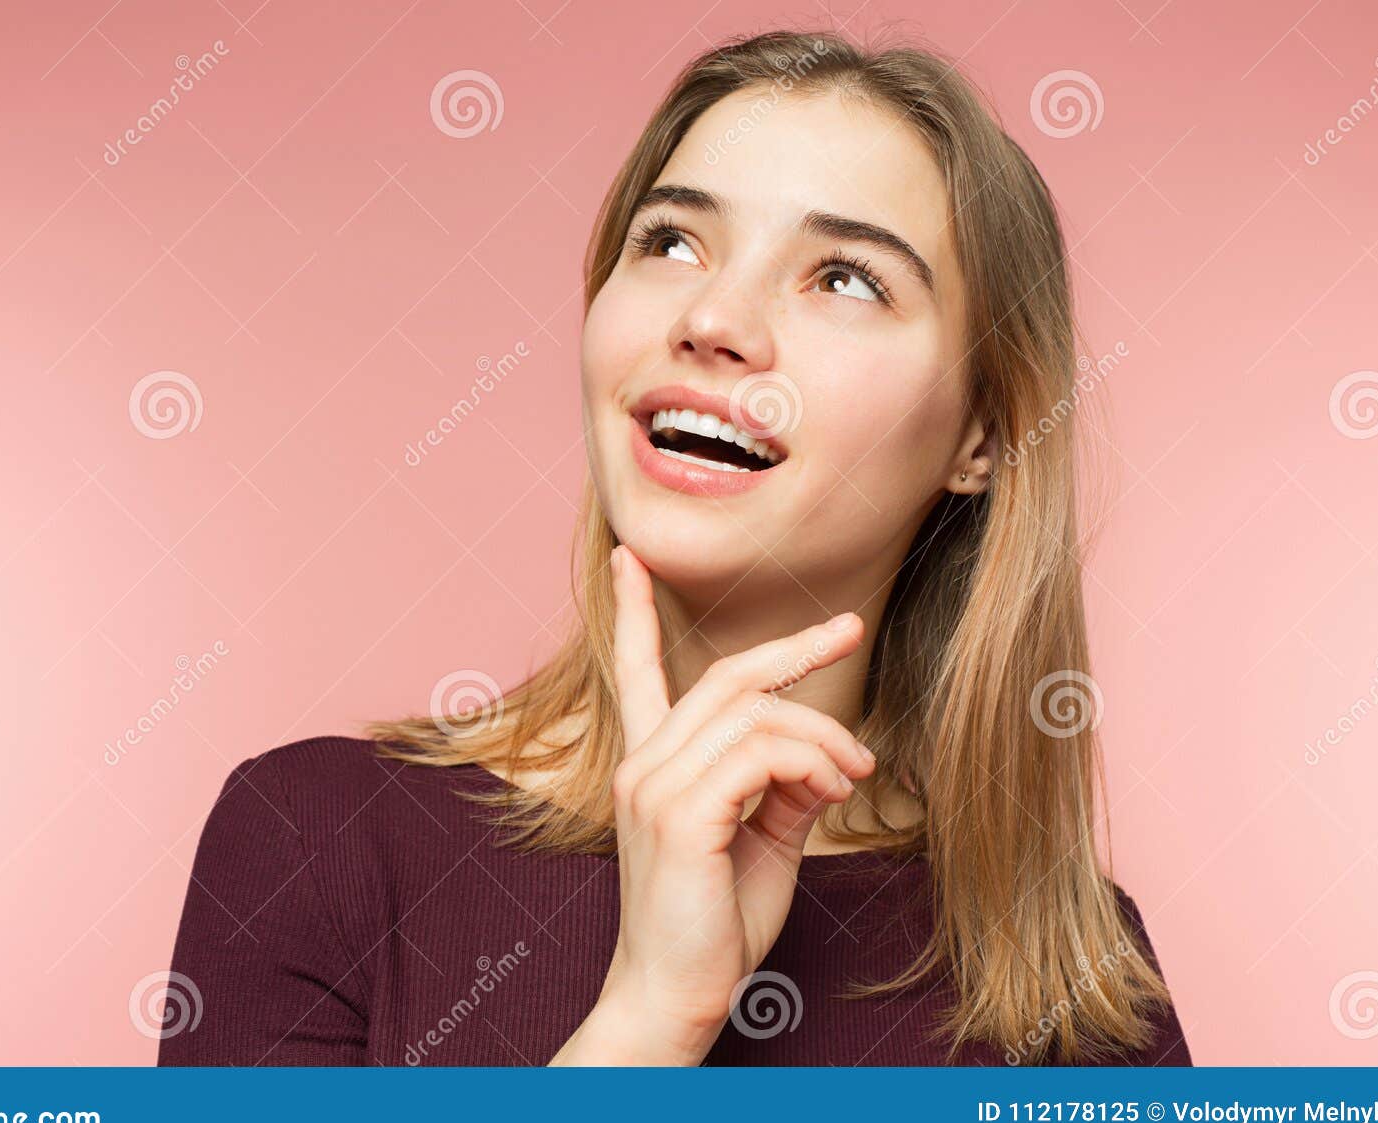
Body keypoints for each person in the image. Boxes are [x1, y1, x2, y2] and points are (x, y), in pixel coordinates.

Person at [159, 27, 1192, 1067]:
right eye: (670, 241)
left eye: (842, 276)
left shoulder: (1086, 998)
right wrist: (652, 1012)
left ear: (979, 434)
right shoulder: (319, 840)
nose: (710, 316)